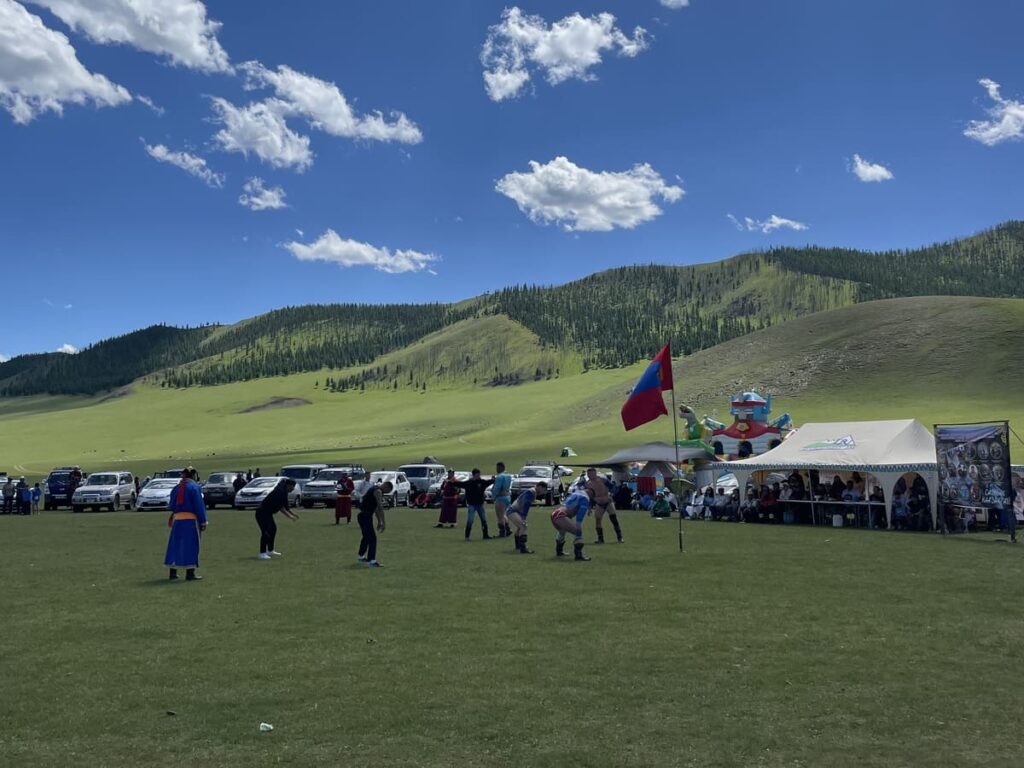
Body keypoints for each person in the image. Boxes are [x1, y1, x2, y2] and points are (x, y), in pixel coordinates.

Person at [165, 469, 208, 581]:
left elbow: (172, 505)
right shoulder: (194, 487)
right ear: (193, 475)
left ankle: (172, 573)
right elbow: (199, 505)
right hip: (191, 521)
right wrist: (203, 521)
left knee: (175, 545)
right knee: (191, 545)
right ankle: (190, 573)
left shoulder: (176, 488)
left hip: (177, 520)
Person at [255, 478, 299, 560]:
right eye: (292, 487)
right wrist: (290, 516)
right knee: (266, 532)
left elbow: (286, 506)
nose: (293, 489)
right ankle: (262, 553)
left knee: (273, 529)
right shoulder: (279, 492)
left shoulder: (284, 491)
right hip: (262, 513)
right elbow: (281, 508)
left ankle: (270, 550)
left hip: (267, 514)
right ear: (288, 486)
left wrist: (293, 514)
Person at [550, 487, 592, 561]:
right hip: (561, 515)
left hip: (556, 513)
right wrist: (578, 524)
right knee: (578, 532)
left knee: (562, 531)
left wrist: (589, 507)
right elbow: (580, 515)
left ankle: (559, 551)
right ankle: (578, 555)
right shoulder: (585, 498)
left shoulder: (577, 493)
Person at [453, 468, 494, 541]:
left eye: (479, 474)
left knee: (484, 520)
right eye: (478, 474)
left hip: (480, 504)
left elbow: (489, 482)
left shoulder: (482, 482)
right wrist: (452, 482)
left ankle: (485, 535)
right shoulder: (469, 483)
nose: (479, 476)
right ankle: (467, 537)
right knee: (470, 520)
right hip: (472, 504)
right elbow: (460, 484)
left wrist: (494, 480)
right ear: (474, 475)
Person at [507, 481, 547, 553]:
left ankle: (518, 546)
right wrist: (524, 516)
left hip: (514, 511)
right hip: (512, 511)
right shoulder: (532, 492)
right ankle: (523, 548)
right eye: (544, 490)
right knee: (523, 526)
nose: (543, 492)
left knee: (521, 527)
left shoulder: (532, 491)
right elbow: (526, 504)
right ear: (540, 487)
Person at [357, 480, 390, 567]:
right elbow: (380, 507)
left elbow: (375, 508)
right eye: (387, 491)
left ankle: (361, 556)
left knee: (366, 537)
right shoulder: (378, 491)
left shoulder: (375, 489)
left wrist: (379, 521)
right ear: (386, 486)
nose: (385, 493)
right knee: (372, 538)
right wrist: (384, 522)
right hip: (365, 516)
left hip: (364, 516)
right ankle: (372, 561)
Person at [586, 468, 624, 543]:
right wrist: (589, 507)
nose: (590, 475)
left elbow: (612, 487)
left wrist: (612, 495)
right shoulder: (588, 484)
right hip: (599, 503)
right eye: (588, 474)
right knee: (598, 520)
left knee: (613, 518)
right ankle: (600, 539)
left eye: (591, 474)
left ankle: (620, 537)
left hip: (608, 502)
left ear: (595, 474)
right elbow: (590, 497)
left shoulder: (602, 480)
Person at [491, 462, 513, 538]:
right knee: (504, 514)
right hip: (507, 496)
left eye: (497, 468)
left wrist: (493, 497)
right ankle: (508, 529)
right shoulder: (508, 476)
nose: (496, 469)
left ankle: (502, 532)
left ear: (500, 468)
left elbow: (497, 488)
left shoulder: (500, 477)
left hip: (500, 497)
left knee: (500, 516)